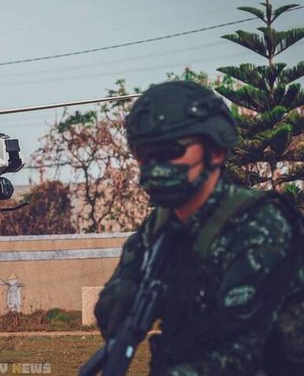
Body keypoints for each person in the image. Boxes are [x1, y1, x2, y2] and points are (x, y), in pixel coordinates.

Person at [94, 81, 304, 375]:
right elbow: (113, 311)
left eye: (171, 150)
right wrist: (122, 298)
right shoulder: (161, 226)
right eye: (144, 154)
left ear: (215, 151)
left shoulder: (260, 225)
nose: (155, 166)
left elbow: (241, 354)